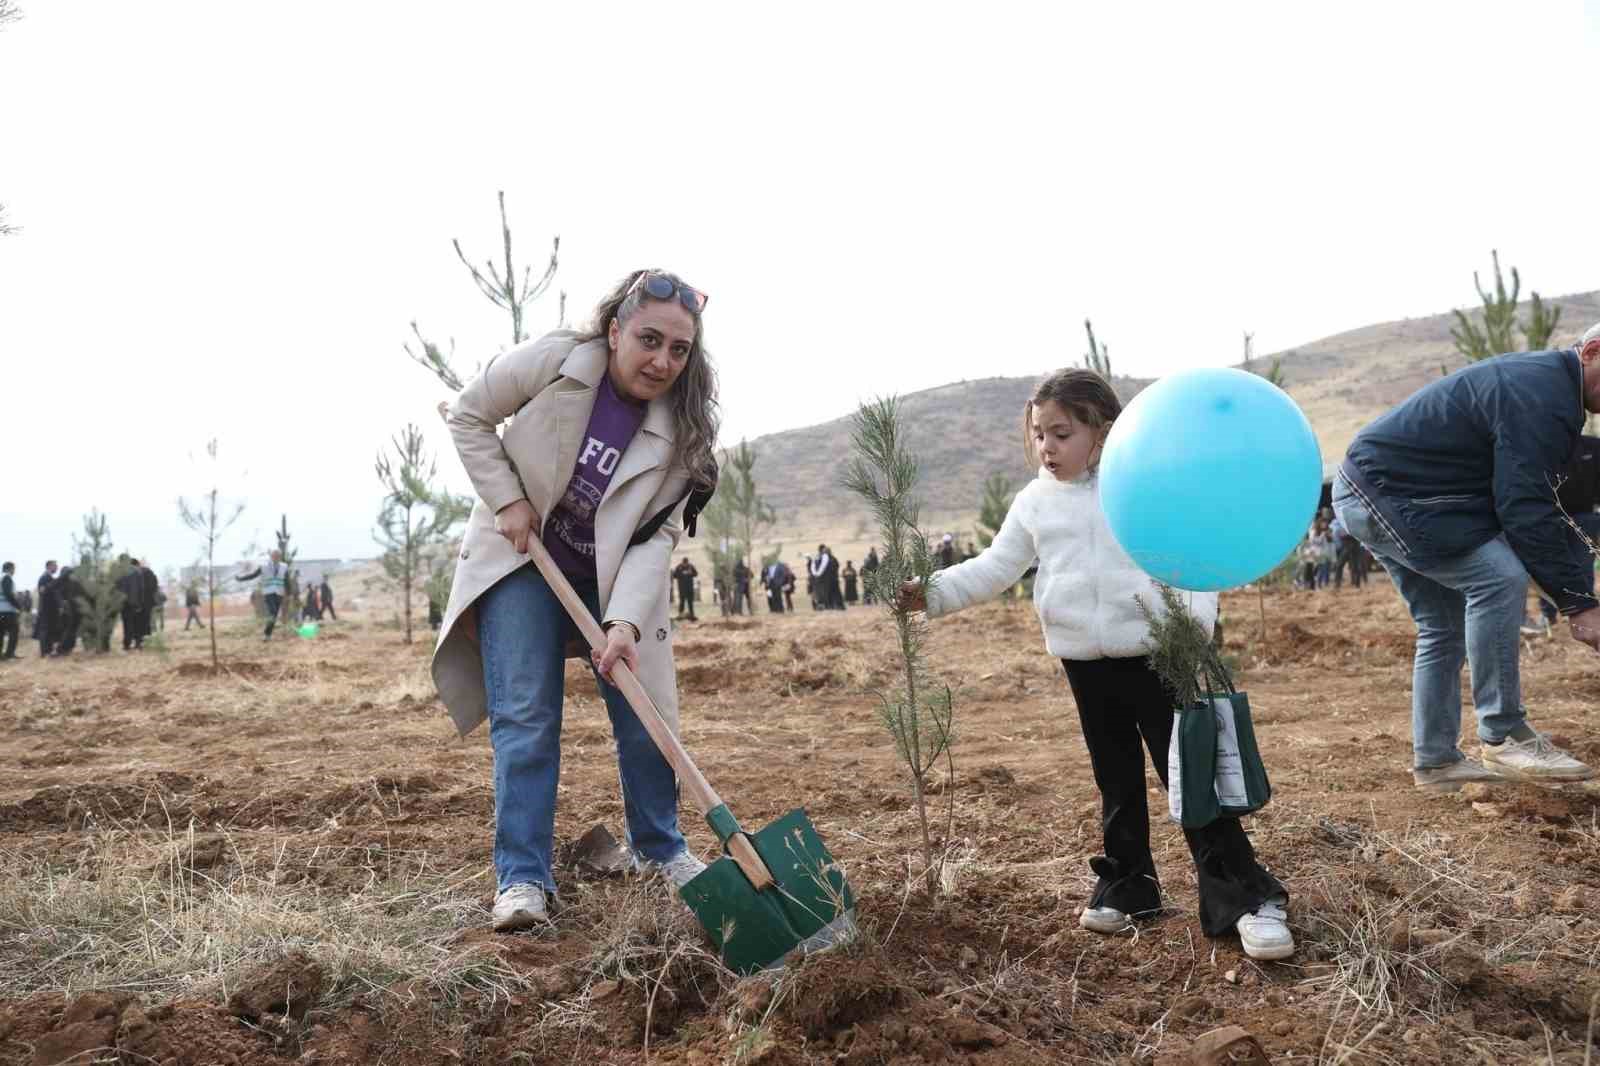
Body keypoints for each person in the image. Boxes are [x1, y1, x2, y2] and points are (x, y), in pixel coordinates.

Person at [901, 368, 1293, 961]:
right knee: (1115, 779)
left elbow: (1195, 557)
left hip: (1158, 659)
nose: (1046, 447)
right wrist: (928, 592)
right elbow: (993, 567)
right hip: (1086, 665)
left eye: (1061, 434)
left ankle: (1245, 897)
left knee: (1187, 779)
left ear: (1104, 432)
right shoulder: (1035, 501)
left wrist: (1192, 630)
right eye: (1038, 435)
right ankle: (1129, 885)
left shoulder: (1142, 488)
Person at [432, 268, 717, 932]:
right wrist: (508, 499)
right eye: (648, 339)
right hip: (523, 559)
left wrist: (623, 623)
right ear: (615, 330)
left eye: (678, 350)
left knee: (648, 716)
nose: (661, 361)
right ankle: (523, 879)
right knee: (527, 717)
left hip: (612, 577)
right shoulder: (557, 362)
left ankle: (661, 849)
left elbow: (655, 539)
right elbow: (470, 414)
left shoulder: (683, 434)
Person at [1333, 324, 1600, 792]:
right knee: (1498, 579)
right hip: (1393, 492)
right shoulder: (1543, 394)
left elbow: (1550, 506)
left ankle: (1436, 763)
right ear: (1593, 351)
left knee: (1442, 624)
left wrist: (1578, 594)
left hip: (1378, 489)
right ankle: (1504, 734)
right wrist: (1579, 605)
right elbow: (1523, 508)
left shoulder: (1549, 387)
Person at [1529, 434, 1600, 634]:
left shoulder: (1593, 446)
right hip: (1547, 518)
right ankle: (1548, 615)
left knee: (1583, 566)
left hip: (1585, 517)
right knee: (1546, 567)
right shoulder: (1542, 444)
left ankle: (1587, 617)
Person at [235, 549, 291, 641]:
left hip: (279, 593)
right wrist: (241, 579)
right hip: (268, 593)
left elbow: (287, 580)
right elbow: (253, 575)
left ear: (280, 557)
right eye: (274, 556)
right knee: (272, 612)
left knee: (274, 616)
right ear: (271, 556)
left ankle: (268, 634)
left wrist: (289, 593)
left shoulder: (284, 566)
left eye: (278, 556)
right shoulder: (264, 566)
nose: (276, 558)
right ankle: (266, 634)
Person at [118, 556, 147, 650]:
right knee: (137, 623)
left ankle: (127, 644)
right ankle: (138, 643)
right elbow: (141, 588)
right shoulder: (138, 572)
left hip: (124, 602)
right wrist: (141, 602)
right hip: (135, 602)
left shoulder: (120, 571)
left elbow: (117, 587)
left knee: (127, 624)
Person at [35, 561, 59, 657]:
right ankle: (45, 652)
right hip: (46, 608)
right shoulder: (44, 577)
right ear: (49, 566)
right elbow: (43, 591)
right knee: (45, 629)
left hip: (50, 609)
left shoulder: (49, 577)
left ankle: (48, 651)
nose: (56, 568)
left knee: (49, 629)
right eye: (55, 566)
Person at [0, 561, 20, 660]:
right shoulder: (7, 578)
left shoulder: (1, 577)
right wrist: (18, 606)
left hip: (1, 611)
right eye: (13, 568)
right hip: (7, 610)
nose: (14, 571)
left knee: (1, 633)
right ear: (9, 569)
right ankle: (9, 654)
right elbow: (9, 594)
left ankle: (2, 656)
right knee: (14, 631)